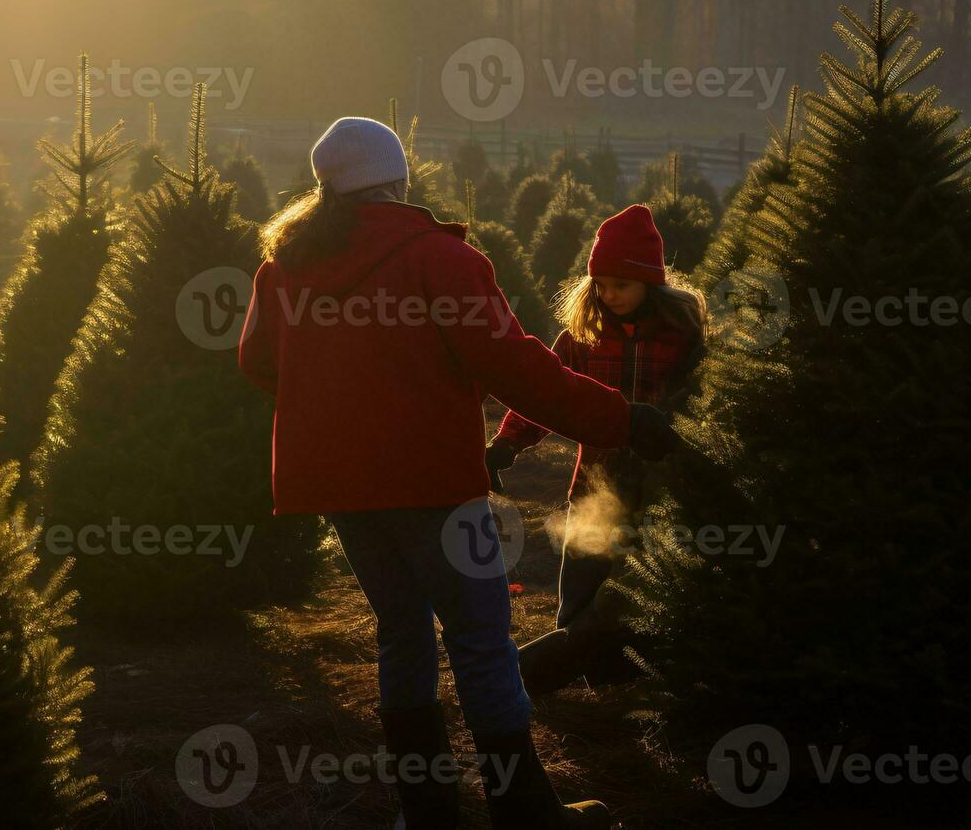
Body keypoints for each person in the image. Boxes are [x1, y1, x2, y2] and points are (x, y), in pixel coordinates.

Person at [237, 118, 680, 830]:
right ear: (397, 180)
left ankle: (427, 809)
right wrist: (621, 420)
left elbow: (257, 361)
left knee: (400, 634)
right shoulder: (436, 258)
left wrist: (337, 402)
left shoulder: (284, 264)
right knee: (479, 639)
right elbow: (516, 367)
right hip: (433, 484)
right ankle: (523, 809)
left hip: (338, 487)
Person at [485, 204, 707, 696]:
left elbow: (701, 398)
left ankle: (618, 675)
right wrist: (507, 443)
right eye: (601, 285)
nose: (609, 295)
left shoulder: (680, 335)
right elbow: (543, 392)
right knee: (583, 577)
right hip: (593, 482)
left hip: (654, 486)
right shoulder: (584, 336)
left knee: (636, 581)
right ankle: (574, 662)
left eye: (621, 285)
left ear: (650, 282)